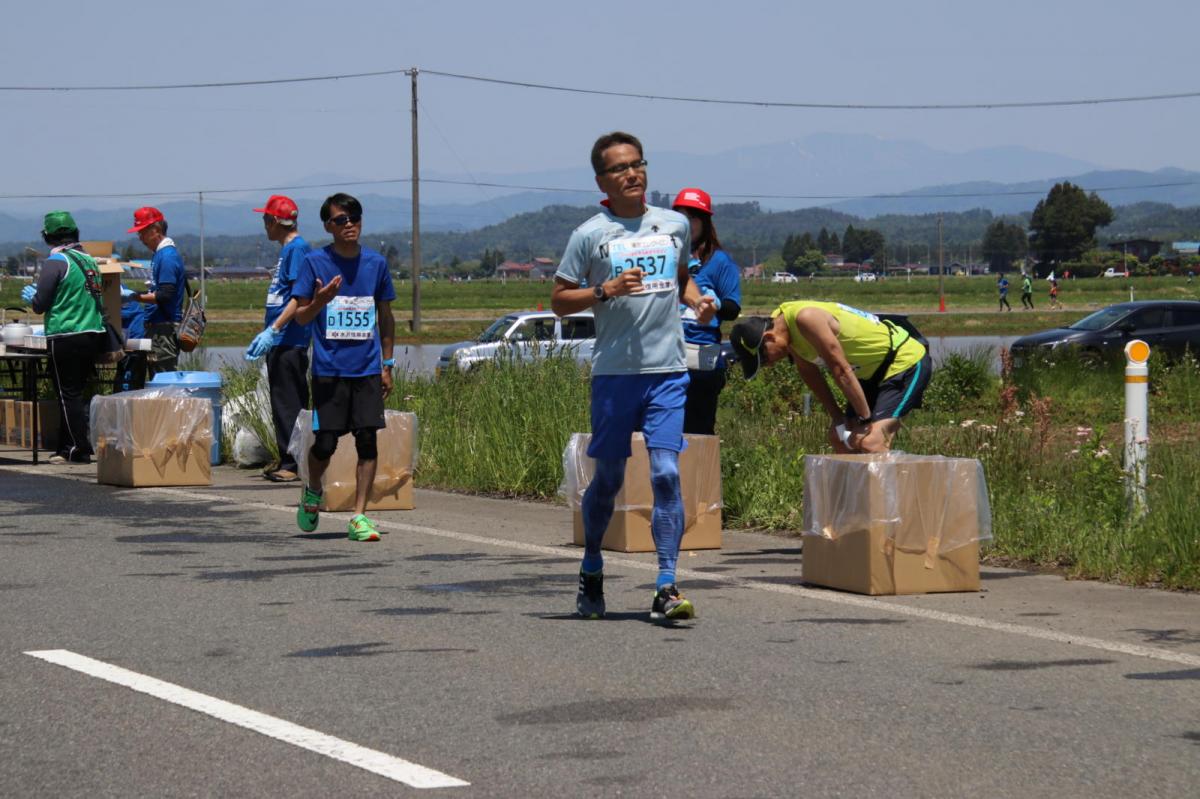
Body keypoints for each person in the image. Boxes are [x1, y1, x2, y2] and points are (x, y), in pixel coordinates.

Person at [551, 131, 717, 623]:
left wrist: (699, 302)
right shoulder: (589, 235)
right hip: (615, 374)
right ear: (601, 180)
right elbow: (559, 301)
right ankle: (592, 565)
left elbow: (683, 278)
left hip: (668, 371)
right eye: (620, 168)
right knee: (609, 480)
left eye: (637, 164)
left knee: (666, 473)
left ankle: (666, 584)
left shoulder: (673, 225)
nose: (632, 174)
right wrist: (604, 290)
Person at [292, 193, 396, 542]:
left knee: (368, 440)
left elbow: (386, 316)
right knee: (326, 443)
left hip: (367, 369)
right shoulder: (314, 263)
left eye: (354, 217)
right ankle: (313, 488)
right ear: (328, 226)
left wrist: (388, 364)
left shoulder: (376, 264)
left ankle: (359, 516)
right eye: (341, 220)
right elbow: (301, 316)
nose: (349, 224)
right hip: (329, 370)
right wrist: (320, 301)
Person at [730, 301, 932, 454]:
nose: (769, 364)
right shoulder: (781, 326)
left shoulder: (806, 319)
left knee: (872, 442)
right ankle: (853, 497)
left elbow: (841, 370)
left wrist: (865, 420)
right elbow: (809, 373)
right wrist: (837, 417)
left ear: (769, 337)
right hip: (868, 375)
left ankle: (896, 497)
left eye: (764, 359)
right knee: (839, 439)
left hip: (903, 361)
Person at [21, 211, 107, 464]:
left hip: (66, 334)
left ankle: (79, 448)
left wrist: (33, 296)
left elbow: (40, 304)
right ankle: (65, 447)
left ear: (48, 236)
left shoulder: (56, 262)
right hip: (93, 333)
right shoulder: (89, 261)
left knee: (66, 394)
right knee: (75, 393)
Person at [244, 195, 313, 483]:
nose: (264, 226)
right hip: (281, 339)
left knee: (288, 404)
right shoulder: (288, 250)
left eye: (265, 219)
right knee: (282, 401)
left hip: (288, 338)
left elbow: (299, 296)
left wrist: (274, 329)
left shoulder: (297, 249)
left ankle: (293, 463)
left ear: (273, 221)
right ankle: (290, 457)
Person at [671, 188, 742, 435]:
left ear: (704, 222)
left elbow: (733, 308)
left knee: (697, 432)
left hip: (702, 358)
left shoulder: (720, 261)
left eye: (693, 218)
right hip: (665, 355)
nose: (686, 224)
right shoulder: (665, 257)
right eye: (681, 217)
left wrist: (716, 305)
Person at [125, 207, 187, 376]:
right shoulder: (160, 254)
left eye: (143, 232)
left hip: (164, 328)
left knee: (163, 378)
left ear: (156, 230)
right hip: (158, 327)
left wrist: (135, 297)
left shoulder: (167, 257)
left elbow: (165, 295)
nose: (140, 238)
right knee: (156, 376)